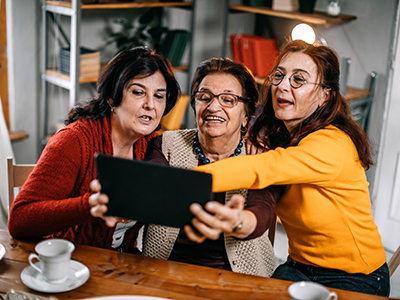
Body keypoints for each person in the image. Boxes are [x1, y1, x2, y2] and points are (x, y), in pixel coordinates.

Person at [194, 40, 390, 296]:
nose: (283, 86)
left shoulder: (333, 143)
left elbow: (264, 168)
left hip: (357, 277)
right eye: (279, 75)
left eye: (299, 79)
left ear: (324, 95)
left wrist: (184, 181)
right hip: (299, 266)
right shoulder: (281, 139)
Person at [90, 57, 283, 277]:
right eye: (205, 97)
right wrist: (120, 203)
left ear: (246, 114)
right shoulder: (165, 144)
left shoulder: (261, 156)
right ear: (195, 105)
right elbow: (153, 188)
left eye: (228, 100)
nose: (213, 106)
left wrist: (238, 221)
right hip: (164, 272)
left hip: (237, 279)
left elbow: (262, 212)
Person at [8, 47, 180, 254]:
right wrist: (89, 205)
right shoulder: (74, 140)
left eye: (159, 96)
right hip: (68, 261)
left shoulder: (154, 145)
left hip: (120, 263)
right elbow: (19, 220)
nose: (150, 105)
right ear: (111, 97)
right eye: (138, 92)